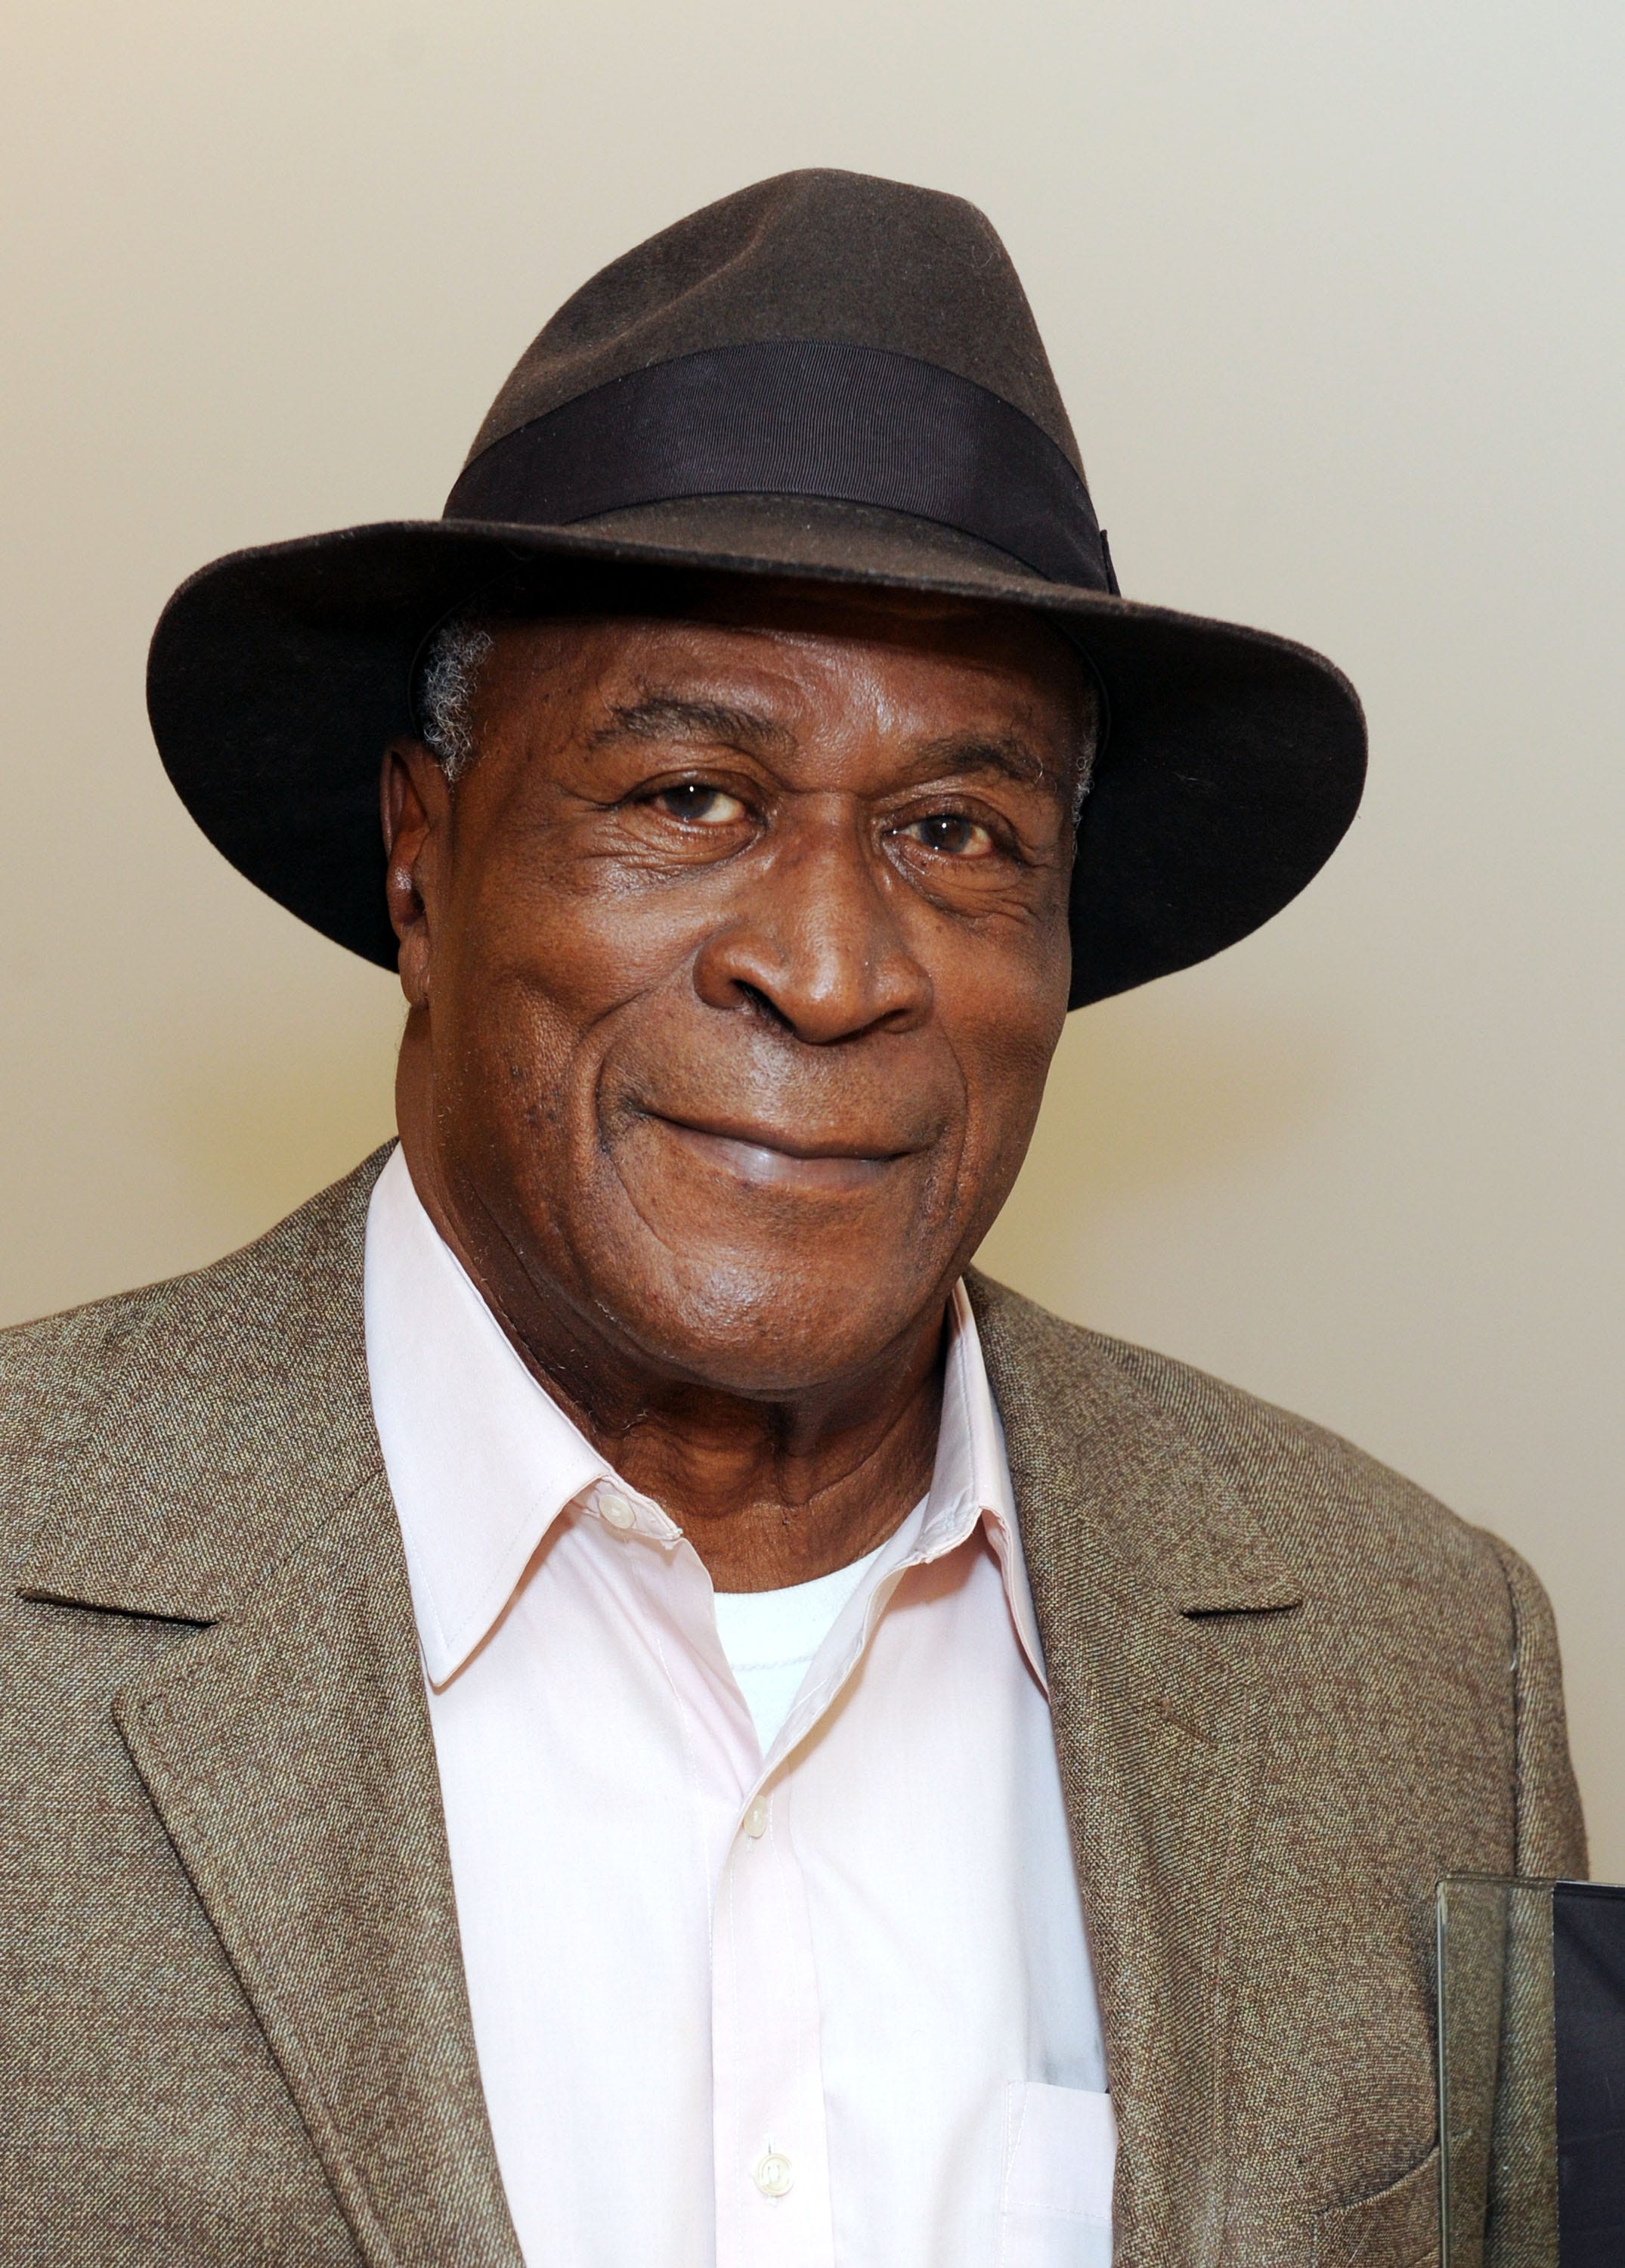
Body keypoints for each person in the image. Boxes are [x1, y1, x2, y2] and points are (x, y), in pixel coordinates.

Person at [0, 169, 1583, 2268]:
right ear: (421, 858)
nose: (833, 968)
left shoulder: (1421, 1658)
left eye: (953, 831)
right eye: (690, 799)